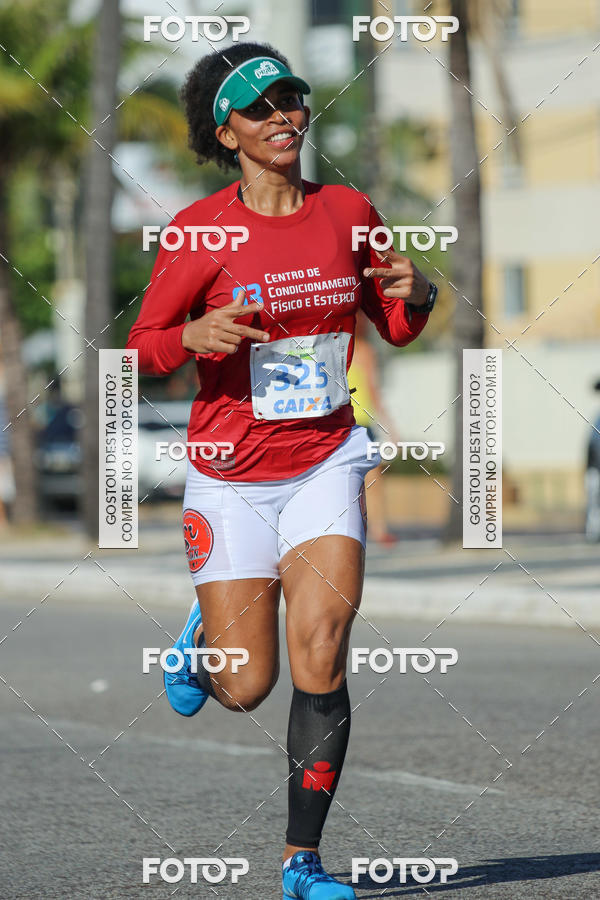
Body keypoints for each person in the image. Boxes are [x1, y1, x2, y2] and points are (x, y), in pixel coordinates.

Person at [127, 42, 435, 900]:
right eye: (261, 109)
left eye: (292, 99)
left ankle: (304, 863)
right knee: (246, 685)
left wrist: (423, 292)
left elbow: (395, 318)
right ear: (226, 132)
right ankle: (202, 642)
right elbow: (141, 347)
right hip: (229, 472)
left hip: (325, 459)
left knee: (323, 655)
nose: (284, 117)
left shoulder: (347, 210)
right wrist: (191, 337)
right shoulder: (199, 230)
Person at [348, 311, 401, 545]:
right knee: (364, 482)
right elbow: (374, 392)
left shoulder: (363, 351)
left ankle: (378, 529)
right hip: (348, 424)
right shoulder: (352, 350)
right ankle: (371, 529)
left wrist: (390, 428)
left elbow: (374, 392)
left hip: (359, 423)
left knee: (370, 481)